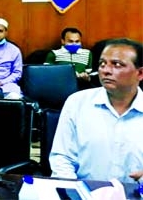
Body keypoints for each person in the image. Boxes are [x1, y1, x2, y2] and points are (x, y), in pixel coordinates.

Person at [49, 38, 143, 183]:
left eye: (117, 65)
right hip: (84, 194)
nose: (105, 71)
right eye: (102, 64)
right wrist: (70, 193)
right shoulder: (77, 102)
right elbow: (62, 159)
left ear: (140, 73)